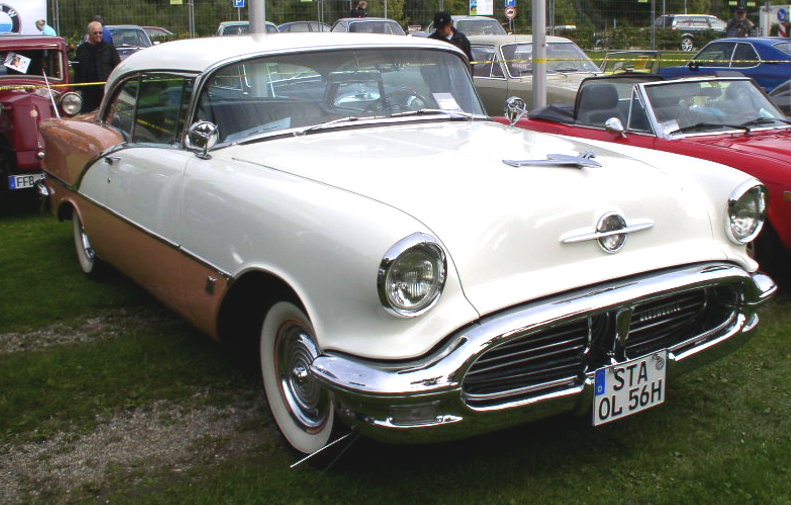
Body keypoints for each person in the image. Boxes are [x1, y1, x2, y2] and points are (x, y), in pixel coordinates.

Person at [74, 20, 120, 113]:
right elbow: (78, 70)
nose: (98, 35)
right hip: (88, 92)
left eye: (100, 33)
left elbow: (117, 66)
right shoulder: (82, 50)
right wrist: (78, 88)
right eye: (95, 33)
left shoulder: (109, 48)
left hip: (105, 90)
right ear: (89, 34)